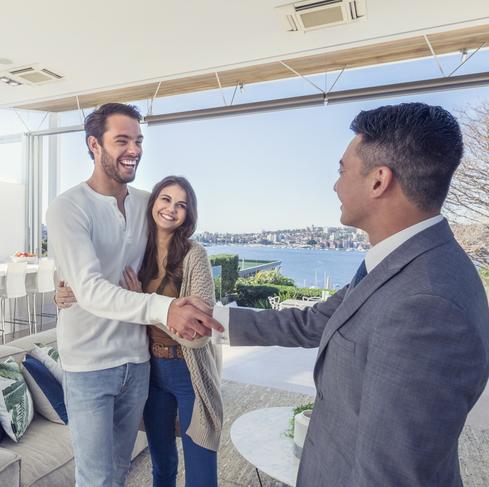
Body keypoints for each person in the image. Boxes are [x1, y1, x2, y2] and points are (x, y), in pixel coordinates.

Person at [184, 103, 489, 486]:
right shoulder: (399, 262)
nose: (335, 185)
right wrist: (217, 317)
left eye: (342, 170)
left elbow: (390, 475)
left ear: (379, 181)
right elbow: (320, 320)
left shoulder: (428, 306)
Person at [46, 103, 222, 487]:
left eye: (138, 140)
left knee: (120, 471)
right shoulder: (67, 208)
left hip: (138, 362)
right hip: (89, 365)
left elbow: (169, 246)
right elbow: (88, 287)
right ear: (94, 145)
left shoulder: (147, 203)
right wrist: (65, 286)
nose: (134, 149)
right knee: (95, 477)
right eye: (122, 140)